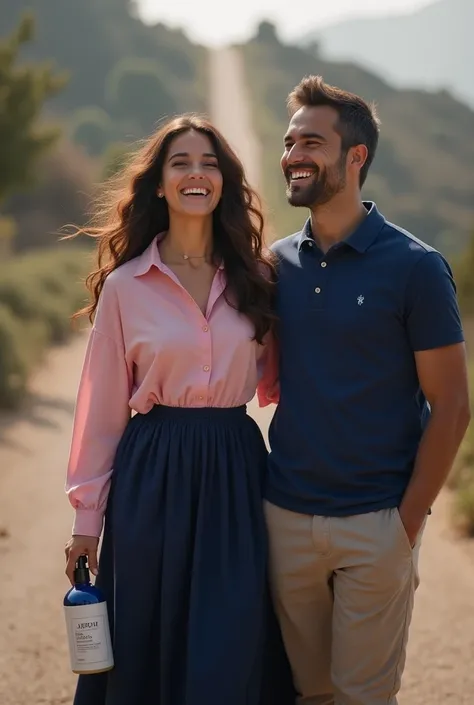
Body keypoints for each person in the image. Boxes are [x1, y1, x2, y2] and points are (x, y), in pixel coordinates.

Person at [64, 114, 294, 705]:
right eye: (181, 163)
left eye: (210, 163)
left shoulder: (259, 278)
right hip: (152, 472)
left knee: (232, 635)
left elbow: (289, 388)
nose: (197, 173)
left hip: (237, 470)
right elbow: (102, 408)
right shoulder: (126, 287)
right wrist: (87, 521)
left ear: (225, 183)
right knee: (146, 636)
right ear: (160, 185)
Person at [258, 76, 471, 705]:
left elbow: (453, 405)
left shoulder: (415, 267)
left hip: (376, 523)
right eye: (290, 140)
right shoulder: (274, 265)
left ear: (357, 157)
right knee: (307, 692)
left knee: (361, 699)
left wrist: (407, 522)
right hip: (286, 517)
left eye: (312, 142)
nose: (294, 153)